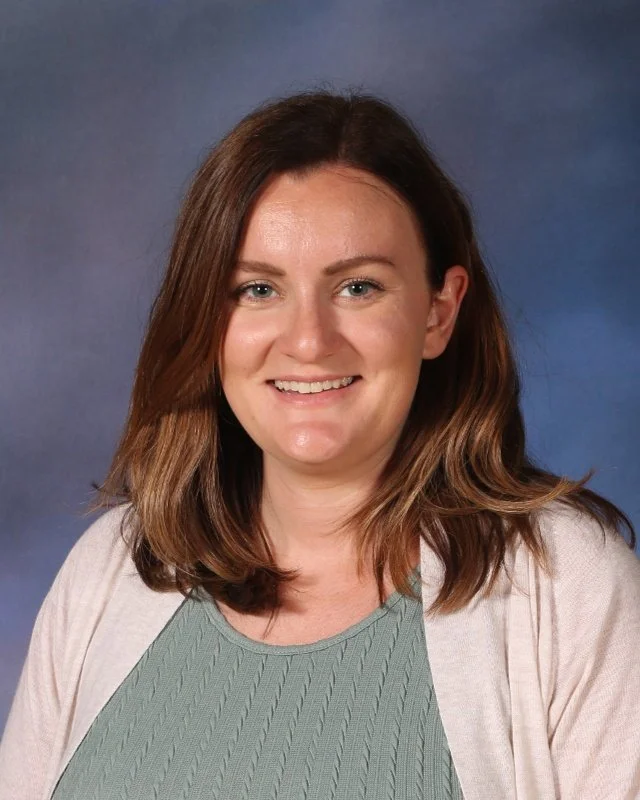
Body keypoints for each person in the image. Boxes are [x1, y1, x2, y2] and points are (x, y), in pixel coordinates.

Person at [1, 90, 638, 800]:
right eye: (257, 290)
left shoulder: (566, 588)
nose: (308, 340)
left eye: (358, 287)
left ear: (438, 311)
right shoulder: (112, 570)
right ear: (207, 318)